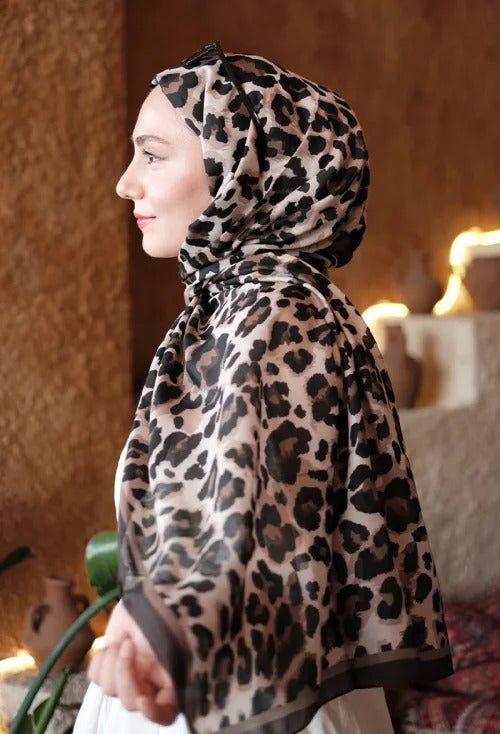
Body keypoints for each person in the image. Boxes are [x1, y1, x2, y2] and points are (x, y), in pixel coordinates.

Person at [74, 42, 453, 734]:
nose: (126, 183)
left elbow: (261, 500)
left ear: (241, 169)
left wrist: (163, 619)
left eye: (152, 156)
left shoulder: (275, 308)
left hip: (239, 684)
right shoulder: (241, 303)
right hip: (223, 661)